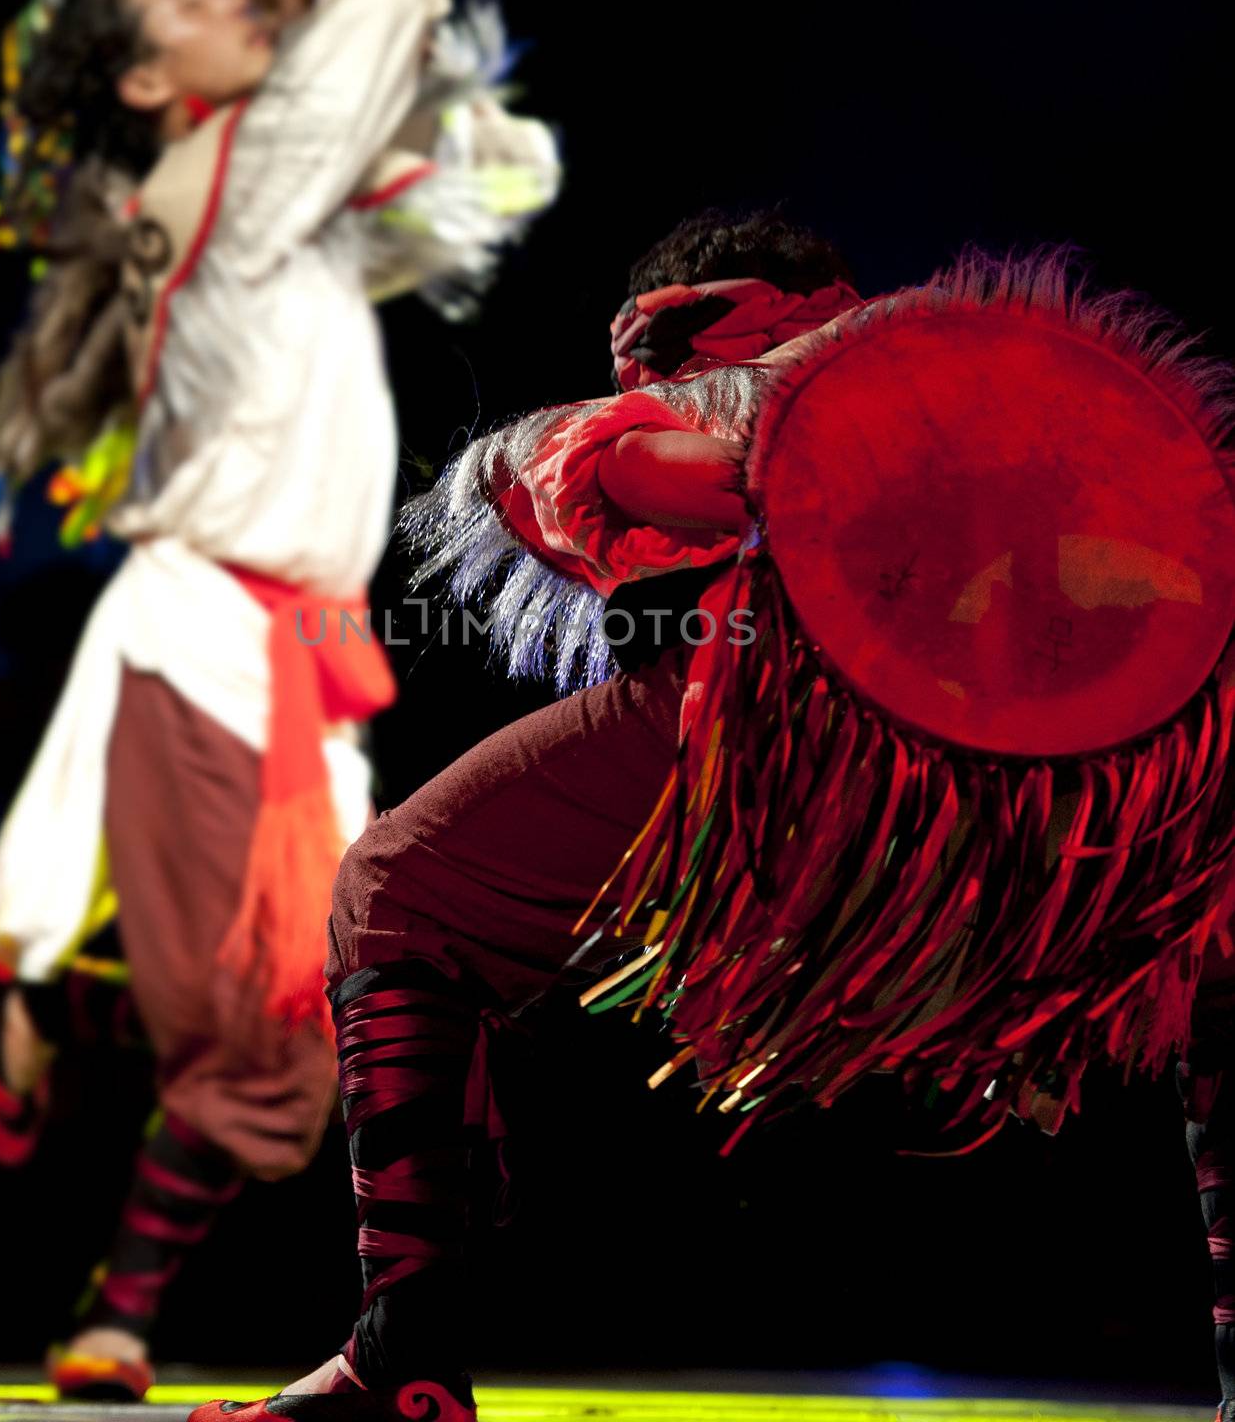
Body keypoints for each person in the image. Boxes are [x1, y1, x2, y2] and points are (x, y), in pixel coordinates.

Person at [185, 210, 1235, 1422]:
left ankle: (403, 1351)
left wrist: (797, 468)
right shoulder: (993, 378)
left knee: (398, 889)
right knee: (1209, 952)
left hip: (812, 752)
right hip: (1075, 797)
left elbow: (674, 475)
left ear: (667, 331)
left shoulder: (729, 393)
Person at [0, 0, 559, 1397]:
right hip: (205, 644)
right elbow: (350, 58)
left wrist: (430, 76)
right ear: (143, 86)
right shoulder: (224, 175)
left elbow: (504, 177)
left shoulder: (277, 199)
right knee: (271, 1022)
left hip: (303, 657)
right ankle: (45, 1006)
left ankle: (102, 1235)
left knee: (336, 995)